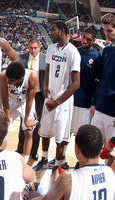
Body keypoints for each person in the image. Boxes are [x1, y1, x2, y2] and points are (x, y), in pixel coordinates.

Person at [33, 21, 80, 173]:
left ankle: (58, 164)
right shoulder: (52, 48)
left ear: (62, 31)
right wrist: (45, 84)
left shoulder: (73, 52)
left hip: (63, 101)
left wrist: (57, 102)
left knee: (60, 136)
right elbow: (48, 67)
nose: (50, 32)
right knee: (44, 132)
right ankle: (44, 159)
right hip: (50, 98)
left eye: (53, 30)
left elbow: (76, 84)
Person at [43, 125, 115, 200]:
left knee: (34, 195)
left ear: (77, 149)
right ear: (100, 148)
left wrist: (53, 186)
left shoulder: (67, 179)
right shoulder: (110, 172)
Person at [0, 62, 39, 162]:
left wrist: (26, 119)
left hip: (26, 102)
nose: (8, 81)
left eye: (11, 80)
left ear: (21, 78)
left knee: (29, 132)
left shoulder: (32, 76)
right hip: (11, 101)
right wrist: (8, 118)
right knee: (3, 128)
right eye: (8, 79)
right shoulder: (4, 76)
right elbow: (4, 99)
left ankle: (25, 161)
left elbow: (30, 100)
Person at [17, 38, 46, 161]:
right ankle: (20, 148)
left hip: (39, 95)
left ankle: (33, 151)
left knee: (36, 124)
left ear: (40, 48)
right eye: (31, 48)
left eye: (35, 48)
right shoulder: (21, 57)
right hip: (25, 94)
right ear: (27, 47)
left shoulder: (45, 59)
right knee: (23, 122)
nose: (33, 50)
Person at [91, 13, 115, 159]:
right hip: (100, 107)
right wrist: (94, 101)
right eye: (105, 30)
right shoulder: (106, 50)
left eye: (110, 31)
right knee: (92, 144)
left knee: (111, 153)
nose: (106, 34)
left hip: (113, 111)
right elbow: (101, 79)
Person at [71, 27, 101, 134]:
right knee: (65, 133)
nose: (84, 41)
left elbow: (97, 83)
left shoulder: (97, 57)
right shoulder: (75, 52)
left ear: (94, 41)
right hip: (70, 100)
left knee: (81, 135)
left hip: (86, 104)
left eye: (88, 39)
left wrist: (94, 102)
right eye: (83, 37)